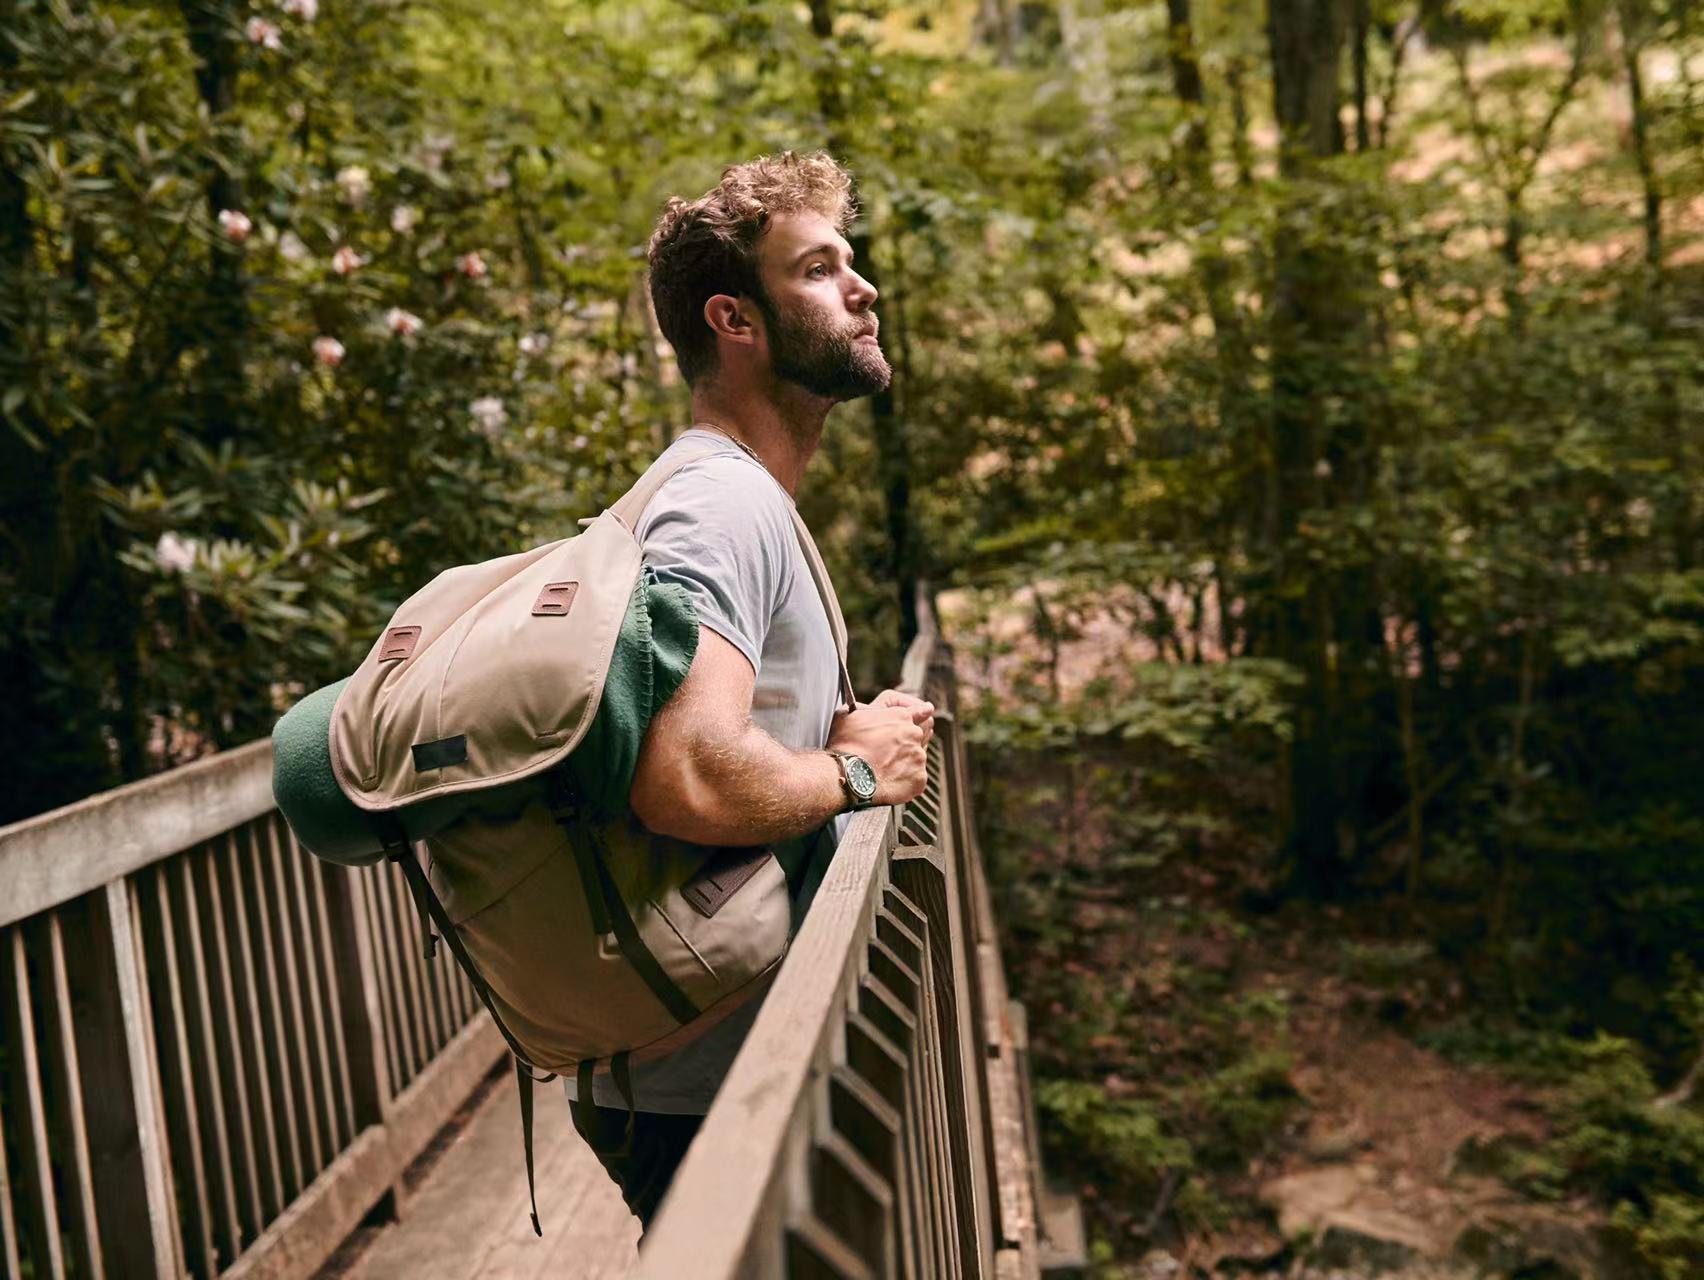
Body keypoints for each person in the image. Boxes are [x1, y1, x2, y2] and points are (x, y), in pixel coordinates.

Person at [563, 151, 935, 1227]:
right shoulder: (722, 503)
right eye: (819, 269)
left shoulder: (725, 494)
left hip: (701, 1053)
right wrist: (856, 767)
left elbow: (722, 727)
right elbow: (683, 772)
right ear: (736, 319)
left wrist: (826, 734)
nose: (861, 288)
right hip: (707, 1075)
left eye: (849, 262)